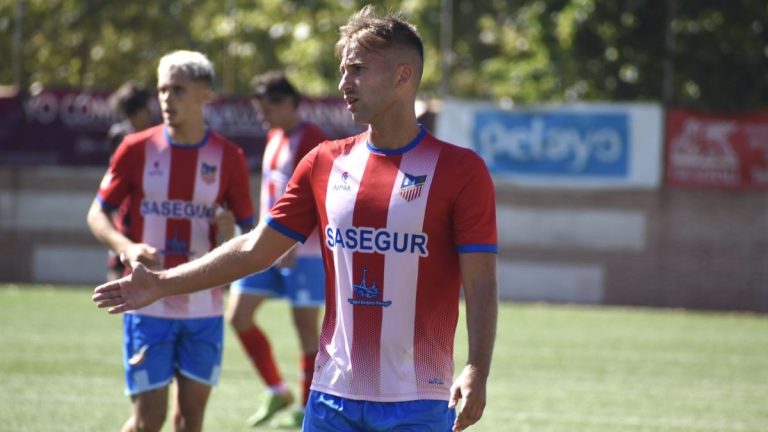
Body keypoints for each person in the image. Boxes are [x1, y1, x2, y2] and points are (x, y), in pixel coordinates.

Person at [92, 6, 498, 432]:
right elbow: (256, 247)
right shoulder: (324, 163)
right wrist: (161, 284)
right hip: (331, 399)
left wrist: (477, 368)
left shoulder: (460, 170)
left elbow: (482, 280)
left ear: (403, 76)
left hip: (419, 400)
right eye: (343, 70)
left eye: (357, 69)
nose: (344, 83)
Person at [87, 50, 255, 432]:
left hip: (204, 310)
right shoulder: (135, 149)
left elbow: (250, 234)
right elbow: (96, 214)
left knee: (190, 420)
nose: (166, 99)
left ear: (205, 94)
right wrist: (125, 247)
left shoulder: (228, 157)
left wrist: (229, 234)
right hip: (148, 305)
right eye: (162, 90)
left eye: (177, 90)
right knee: (149, 421)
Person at [227, 71, 327, 429]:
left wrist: (295, 240)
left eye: (266, 107)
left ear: (287, 103)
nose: (261, 116)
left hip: (305, 251)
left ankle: (306, 408)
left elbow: (320, 196)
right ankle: (276, 390)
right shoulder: (273, 136)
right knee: (238, 316)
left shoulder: (312, 138)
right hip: (268, 243)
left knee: (305, 329)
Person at [104, 81, 154, 281]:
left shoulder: (159, 136)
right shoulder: (120, 137)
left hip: (152, 215)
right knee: (118, 271)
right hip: (127, 216)